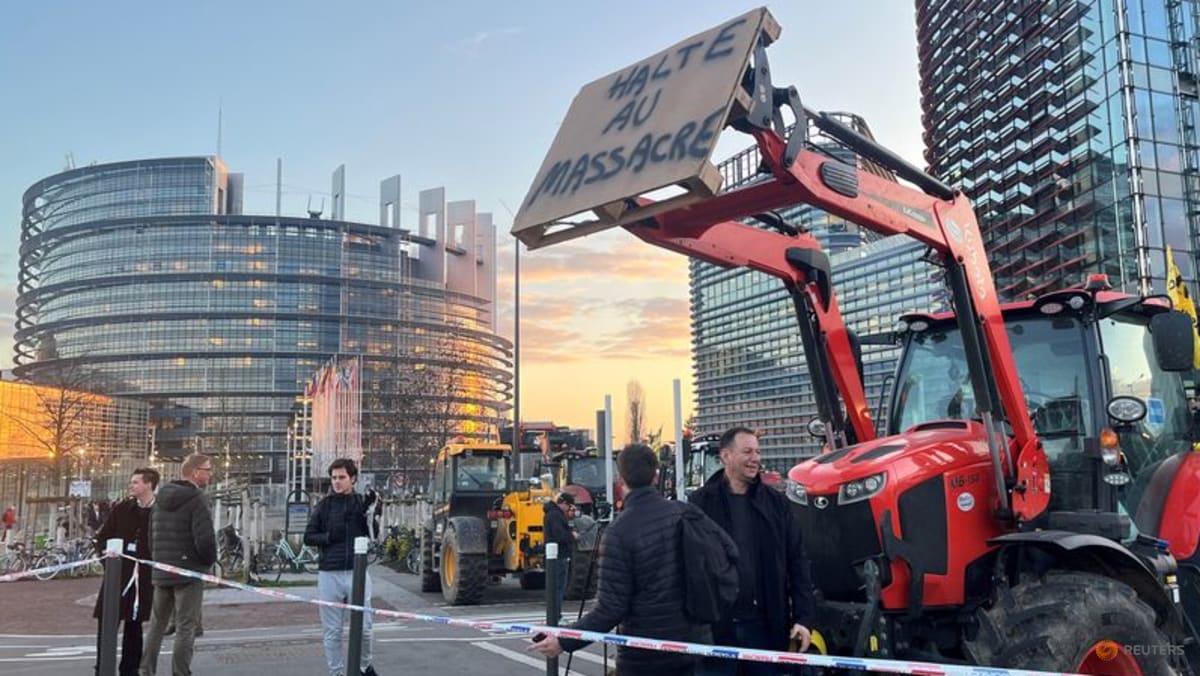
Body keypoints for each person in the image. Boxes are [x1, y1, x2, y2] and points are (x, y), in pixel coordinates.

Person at [529, 444, 711, 676]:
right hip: (696, 645)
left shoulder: (619, 532)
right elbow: (726, 558)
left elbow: (610, 609)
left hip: (645, 655)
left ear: (621, 477)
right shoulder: (686, 513)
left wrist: (565, 641)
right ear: (656, 475)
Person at [690, 427, 815, 676]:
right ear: (726, 456)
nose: (755, 458)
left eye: (757, 451)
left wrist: (804, 618)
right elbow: (689, 568)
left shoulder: (777, 504)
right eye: (747, 451)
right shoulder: (699, 505)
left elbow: (797, 561)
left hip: (765, 627)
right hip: (716, 631)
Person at [139, 454, 216, 676]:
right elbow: (205, 538)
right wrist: (207, 562)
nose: (210, 474)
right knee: (185, 626)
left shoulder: (160, 499)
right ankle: (180, 672)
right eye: (207, 470)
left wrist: (158, 561)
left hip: (162, 570)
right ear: (195, 472)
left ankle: (146, 670)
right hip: (188, 571)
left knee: (157, 625)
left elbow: (151, 536)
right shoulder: (197, 499)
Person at [304, 458, 380, 676]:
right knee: (332, 631)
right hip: (330, 572)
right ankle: (336, 672)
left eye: (342, 477)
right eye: (334, 478)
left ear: (353, 479)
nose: (337, 482)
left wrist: (372, 512)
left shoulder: (360, 503)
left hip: (357, 572)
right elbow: (309, 536)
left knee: (365, 628)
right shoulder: (324, 506)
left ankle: (365, 667)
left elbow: (372, 534)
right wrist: (328, 537)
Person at [93, 467, 159, 676]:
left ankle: (130, 668)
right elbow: (103, 536)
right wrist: (109, 561)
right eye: (131, 482)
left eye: (136, 482)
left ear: (148, 484)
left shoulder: (160, 512)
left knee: (134, 623)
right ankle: (102, 665)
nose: (131, 486)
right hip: (118, 575)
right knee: (107, 622)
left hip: (143, 576)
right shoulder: (122, 509)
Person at [542, 492, 576, 620]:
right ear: (565, 504)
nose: (569, 510)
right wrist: (572, 536)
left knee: (555, 587)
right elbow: (560, 535)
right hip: (559, 555)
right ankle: (555, 615)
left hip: (554, 556)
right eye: (569, 506)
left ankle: (554, 615)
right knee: (559, 587)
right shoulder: (556, 515)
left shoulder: (551, 514)